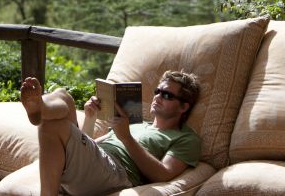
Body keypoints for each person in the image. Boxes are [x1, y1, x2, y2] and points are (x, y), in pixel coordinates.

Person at [20, 70, 201, 196]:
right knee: (63, 96)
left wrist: (126, 137)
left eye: (167, 95)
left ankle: (41, 112)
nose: (158, 97)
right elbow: (91, 148)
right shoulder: (137, 122)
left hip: (116, 173)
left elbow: (164, 174)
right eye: (158, 91)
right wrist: (90, 117)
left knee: (52, 126)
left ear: (184, 106)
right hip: (97, 163)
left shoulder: (186, 138)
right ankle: (40, 108)